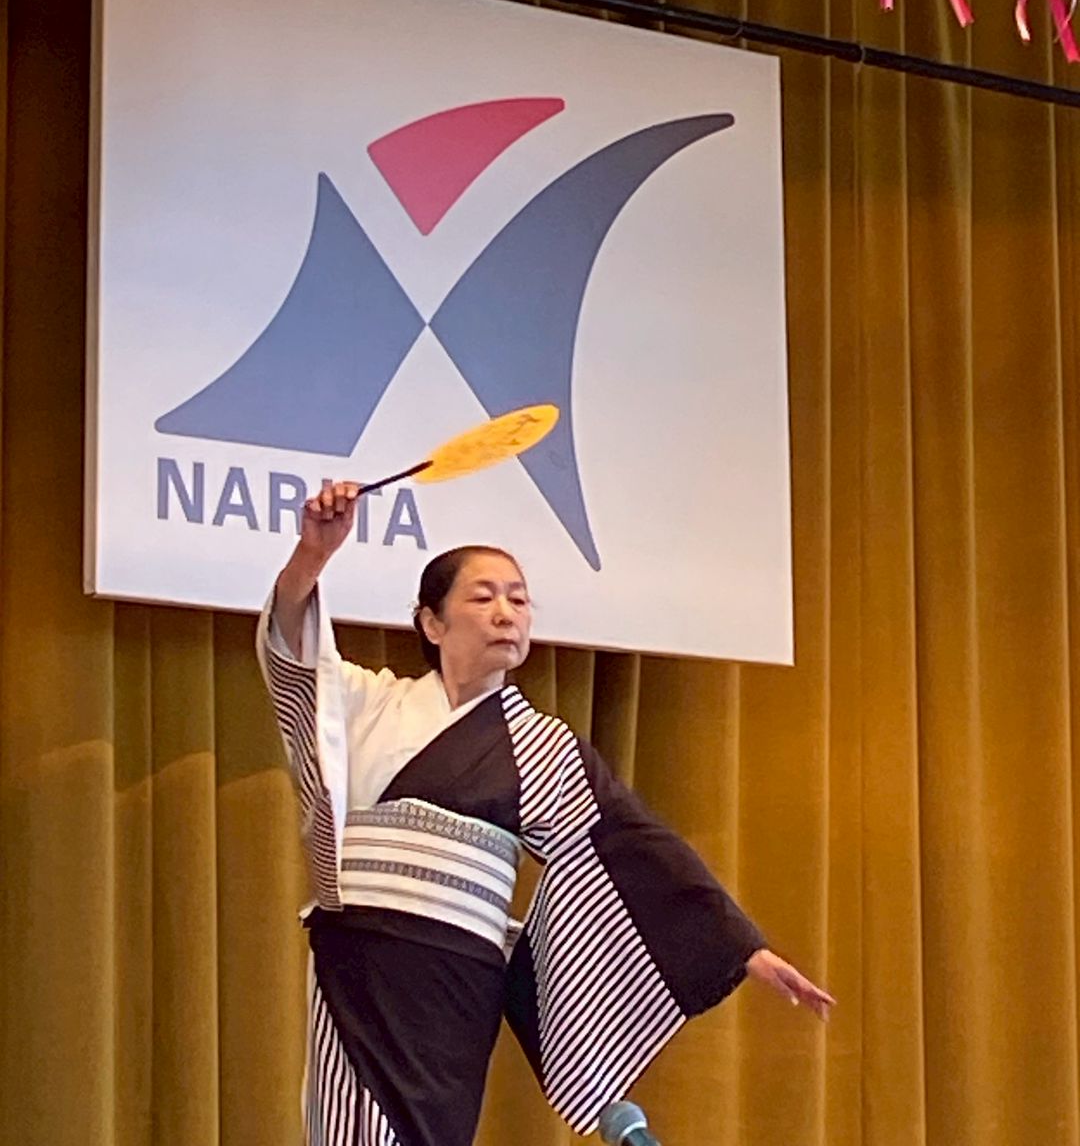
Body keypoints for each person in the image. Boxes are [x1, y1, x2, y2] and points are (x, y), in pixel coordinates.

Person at [258, 481, 833, 1146]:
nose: (506, 613)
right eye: (483, 597)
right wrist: (312, 555)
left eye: (519, 599)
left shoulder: (543, 747)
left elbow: (632, 847)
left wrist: (739, 947)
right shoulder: (368, 702)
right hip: (360, 966)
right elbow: (293, 654)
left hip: (458, 985)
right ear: (432, 623)